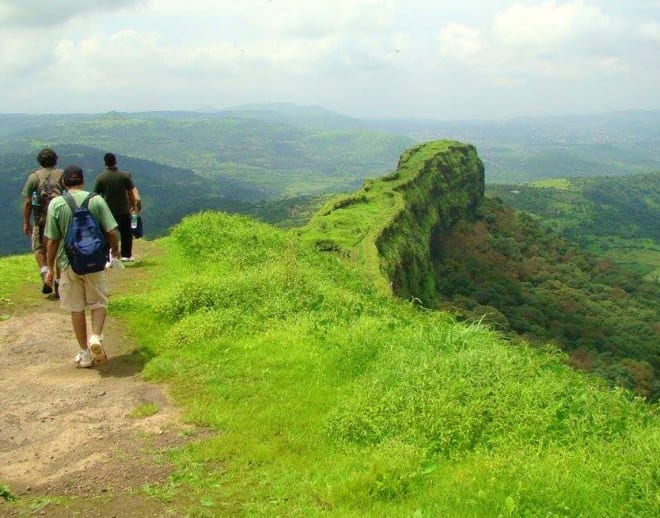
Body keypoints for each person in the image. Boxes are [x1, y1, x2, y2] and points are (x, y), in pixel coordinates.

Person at [44, 165, 120, 368]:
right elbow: (112, 231)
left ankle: (84, 354)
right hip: (95, 262)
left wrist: (49, 268)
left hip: (68, 263)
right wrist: (116, 252)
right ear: (83, 181)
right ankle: (95, 337)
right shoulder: (96, 200)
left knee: (76, 308)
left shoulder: (56, 204)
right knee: (98, 302)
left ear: (64, 183)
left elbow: (51, 240)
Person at [21, 148, 64, 295]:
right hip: (60, 219)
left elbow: (27, 202)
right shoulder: (62, 175)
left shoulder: (34, 177)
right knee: (59, 250)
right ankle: (59, 281)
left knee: (39, 249)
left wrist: (26, 222)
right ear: (55, 160)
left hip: (40, 219)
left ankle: (46, 274)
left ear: (40, 161)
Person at [93, 153, 141, 262]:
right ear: (115, 161)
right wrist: (133, 206)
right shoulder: (124, 176)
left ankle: (107, 257)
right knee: (126, 233)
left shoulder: (100, 178)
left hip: (107, 211)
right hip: (123, 210)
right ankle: (126, 255)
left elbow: (95, 195)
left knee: (106, 234)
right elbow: (130, 193)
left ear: (105, 163)